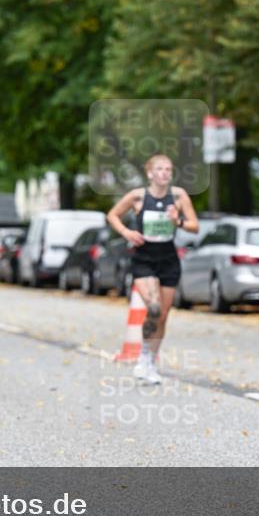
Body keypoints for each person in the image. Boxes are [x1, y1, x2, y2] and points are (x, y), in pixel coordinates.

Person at [106, 154, 199, 384]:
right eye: (160, 169)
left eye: (168, 169)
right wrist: (127, 233)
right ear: (150, 173)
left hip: (168, 259)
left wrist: (177, 221)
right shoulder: (138, 197)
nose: (165, 173)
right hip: (144, 259)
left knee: (164, 315)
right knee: (154, 309)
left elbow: (194, 226)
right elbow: (112, 215)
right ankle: (142, 358)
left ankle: (149, 360)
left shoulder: (178, 196)